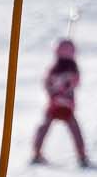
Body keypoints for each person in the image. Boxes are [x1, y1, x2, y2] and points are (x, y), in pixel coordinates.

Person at [31, 36, 89, 166]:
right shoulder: (73, 70)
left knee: (44, 128)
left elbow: (47, 84)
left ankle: (36, 153)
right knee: (75, 130)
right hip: (66, 107)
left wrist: (53, 92)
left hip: (53, 105)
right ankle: (82, 156)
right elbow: (75, 83)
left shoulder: (53, 70)